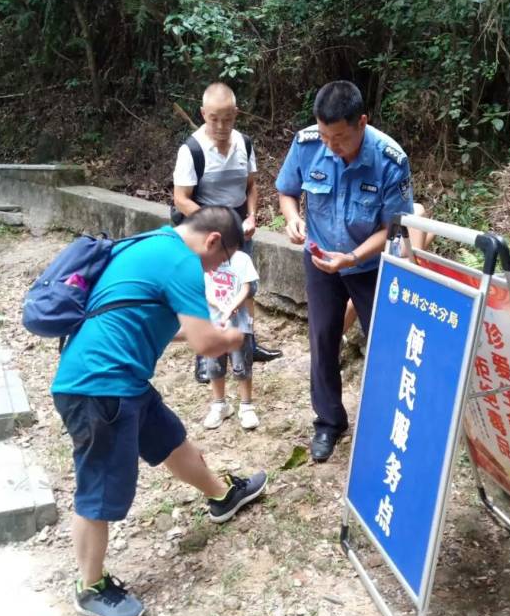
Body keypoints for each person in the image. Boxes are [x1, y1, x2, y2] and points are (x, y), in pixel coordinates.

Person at [52, 206, 268, 616]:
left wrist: (206, 328)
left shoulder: (152, 242)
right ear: (212, 241)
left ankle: (223, 497)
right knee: (99, 487)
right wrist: (236, 336)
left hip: (119, 378)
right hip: (101, 386)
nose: (216, 270)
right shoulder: (184, 262)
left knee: (169, 439)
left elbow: (158, 321)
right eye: (221, 261)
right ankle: (90, 586)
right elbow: (206, 344)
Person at [276, 80, 414, 462]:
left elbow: (393, 228)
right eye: (324, 135)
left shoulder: (390, 159)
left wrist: (352, 259)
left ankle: (387, 422)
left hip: (369, 265)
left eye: (338, 137)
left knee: (385, 343)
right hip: (320, 259)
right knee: (323, 337)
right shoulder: (307, 145)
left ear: (362, 123)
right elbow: (287, 190)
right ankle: (329, 423)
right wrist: (292, 219)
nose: (330, 146)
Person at [172, 82, 282, 366]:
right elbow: (181, 198)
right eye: (213, 118)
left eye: (228, 118)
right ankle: (205, 354)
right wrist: (212, 224)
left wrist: (251, 215)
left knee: (245, 286)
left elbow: (251, 186)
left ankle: (247, 343)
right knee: (207, 288)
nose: (221, 125)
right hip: (206, 229)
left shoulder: (244, 143)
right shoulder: (192, 150)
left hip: (239, 226)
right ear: (202, 114)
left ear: (236, 113)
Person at [342, 201, 433, 337]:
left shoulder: (414, 214)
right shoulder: (397, 214)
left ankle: (334, 341)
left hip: (395, 270)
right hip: (383, 266)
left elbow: (412, 256)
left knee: (355, 303)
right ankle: (335, 341)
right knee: (355, 303)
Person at [202, 248, 260, 430]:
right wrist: (220, 304)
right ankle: (220, 404)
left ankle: (246, 406)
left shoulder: (241, 259)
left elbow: (247, 286)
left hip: (240, 324)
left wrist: (234, 304)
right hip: (213, 323)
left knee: (242, 365)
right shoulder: (204, 258)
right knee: (214, 366)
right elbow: (203, 288)